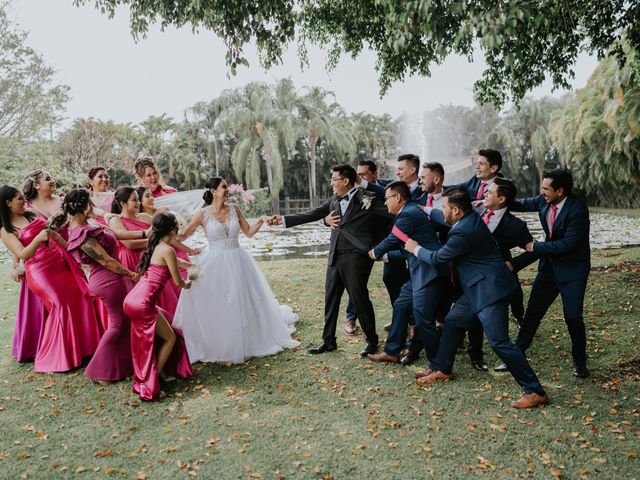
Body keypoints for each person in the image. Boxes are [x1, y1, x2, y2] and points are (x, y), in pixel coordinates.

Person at [406, 188, 549, 409]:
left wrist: (415, 249)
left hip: (489, 291)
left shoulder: (462, 231)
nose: (441, 211)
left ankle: (535, 391)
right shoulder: (468, 217)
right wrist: (424, 208)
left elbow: (437, 258)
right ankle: (442, 369)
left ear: (455, 210)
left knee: (499, 342)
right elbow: (440, 216)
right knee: (453, 322)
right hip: (476, 289)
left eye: (443, 207)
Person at [172, 177, 299, 363]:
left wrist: (262, 220)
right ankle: (220, 340)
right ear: (214, 191)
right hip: (214, 262)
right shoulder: (202, 214)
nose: (228, 190)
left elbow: (248, 232)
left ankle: (250, 337)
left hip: (238, 259)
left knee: (243, 299)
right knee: (220, 300)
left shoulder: (234, 209)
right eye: (224, 187)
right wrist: (189, 250)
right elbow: (179, 237)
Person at [271, 164, 392, 356]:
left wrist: (378, 245)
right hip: (335, 255)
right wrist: (284, 220)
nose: (331, 183)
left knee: (359, 299)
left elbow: (392, 213)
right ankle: (328, 341)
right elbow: (313, 214)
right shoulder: (334, 200)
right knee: (331, 299)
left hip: (357, 256)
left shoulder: (367, 198)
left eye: (334, 179)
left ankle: (371, 341)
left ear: (345, 181)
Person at [498, 169, 591, 378]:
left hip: (573, 270)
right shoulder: (543, 200)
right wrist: (494, 200)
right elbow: (519, 204)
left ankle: (580, 362)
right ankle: (516, 356)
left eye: (546, 189)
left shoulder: (577, 210)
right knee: (533, 313)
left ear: (560, 191)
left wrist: (535, 247)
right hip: (549, 269)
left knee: (573, 317)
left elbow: (568, 244)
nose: (542, 192)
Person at [0, 185, 101, 373]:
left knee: (80, 298)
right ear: (8, 203)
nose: (24, 201)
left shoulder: (30, 214)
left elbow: (53, 233)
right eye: (19, 198)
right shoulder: (6, 231)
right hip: (40, 271)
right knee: (60, 305)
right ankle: (58, 356)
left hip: (60, 260)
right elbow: (22, 253)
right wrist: (37, 239)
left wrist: (72, 252)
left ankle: (86, 348)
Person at [58, 189, 139, 383]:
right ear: (82, 207)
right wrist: (130, 273)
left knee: (124, 323)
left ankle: (119, 366)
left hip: (112, 277)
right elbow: (107, 261)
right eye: (90, 204)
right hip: (107, 280)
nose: (94, 207)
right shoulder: (80, 233)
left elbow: (116, 236)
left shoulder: (88, 223)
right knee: (117, 325)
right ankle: (98, 370)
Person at [366, 181, 448, 366]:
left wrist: (375, 252)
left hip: (429, 272)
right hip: (420, 272)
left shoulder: (407, 215)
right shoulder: (409, 212)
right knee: (402, 304)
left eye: (387, 198)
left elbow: (392, 239)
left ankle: (439, 365)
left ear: (397, 197)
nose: (385, 202)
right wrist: (384, 255)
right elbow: (405, 249)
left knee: (423, 319)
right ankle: (392, 351)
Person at [465, 178, 534, 372]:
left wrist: (513, 264)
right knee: (470, 314)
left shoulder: (516, 225)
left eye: (490, 192)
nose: (484, 194)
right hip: (470, 273)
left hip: (496, 278)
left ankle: (501, 354)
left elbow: (534, 249)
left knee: (492, 318)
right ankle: (474, 354)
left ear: (502, 199)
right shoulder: (475, 211)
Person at [123, 212, 192, 401]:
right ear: (172, 229)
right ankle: (149, 381)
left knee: (167, 328)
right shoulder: (167, 250)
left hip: (132, 300)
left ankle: (159, 374)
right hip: (144, 304)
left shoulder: (155, 246)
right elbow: (179, 282)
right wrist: (190, 281)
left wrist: (186, 263)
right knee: (169, 337)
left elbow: (171, 262)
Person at [340, 160, 408, 336]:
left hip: (391, 239)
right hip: (365, 241)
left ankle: (400, 318)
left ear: (375, 174)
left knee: (392, 278)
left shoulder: (390, 187)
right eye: (358, 174)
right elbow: (339, 212)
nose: (360, 178)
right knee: (358, 279)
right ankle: (351, 318)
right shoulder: (353, 191)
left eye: (364, 175)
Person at [109, 186, 180, 315]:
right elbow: (129, 244)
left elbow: (162, 234)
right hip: (130, 262)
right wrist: (153, 240)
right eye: (135, 200)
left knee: (159, 292)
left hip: (151, 258)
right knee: (140, 297)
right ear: (123, 203)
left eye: (138, 200)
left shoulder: (145, 217)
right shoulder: (115, 220)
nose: (139, 203)